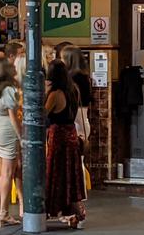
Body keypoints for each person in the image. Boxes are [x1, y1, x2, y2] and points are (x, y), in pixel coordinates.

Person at [45, 60, 86, 229]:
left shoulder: (55, 94)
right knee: (71, 175)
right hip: (72, 134)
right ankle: (76, 211)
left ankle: (56, 208)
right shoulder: (73, 90)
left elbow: (43, 113)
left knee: (56, 173)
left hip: (58, 136)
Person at [0, 58, 22, 227]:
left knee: (3, 175)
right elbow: (13, 116)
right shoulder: (9, 90)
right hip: (7, 132)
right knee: (8, 174)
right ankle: (4, 213)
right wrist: (21, 136)